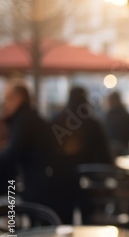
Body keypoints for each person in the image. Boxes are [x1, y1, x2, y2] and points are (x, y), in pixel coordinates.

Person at [0, 79, 76, 223]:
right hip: (47, 185)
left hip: (44, 189)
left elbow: (12, 153)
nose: (4, 103)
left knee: (37, 232)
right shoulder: (27, 118)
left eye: (7, 98)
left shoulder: (24, 120)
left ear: (18, 99)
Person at [50, 86, 113, 167]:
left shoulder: (57, 121)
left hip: (61, 173)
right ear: (85, 100)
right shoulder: (93, 124)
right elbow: (104, 155)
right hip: (90, 174)